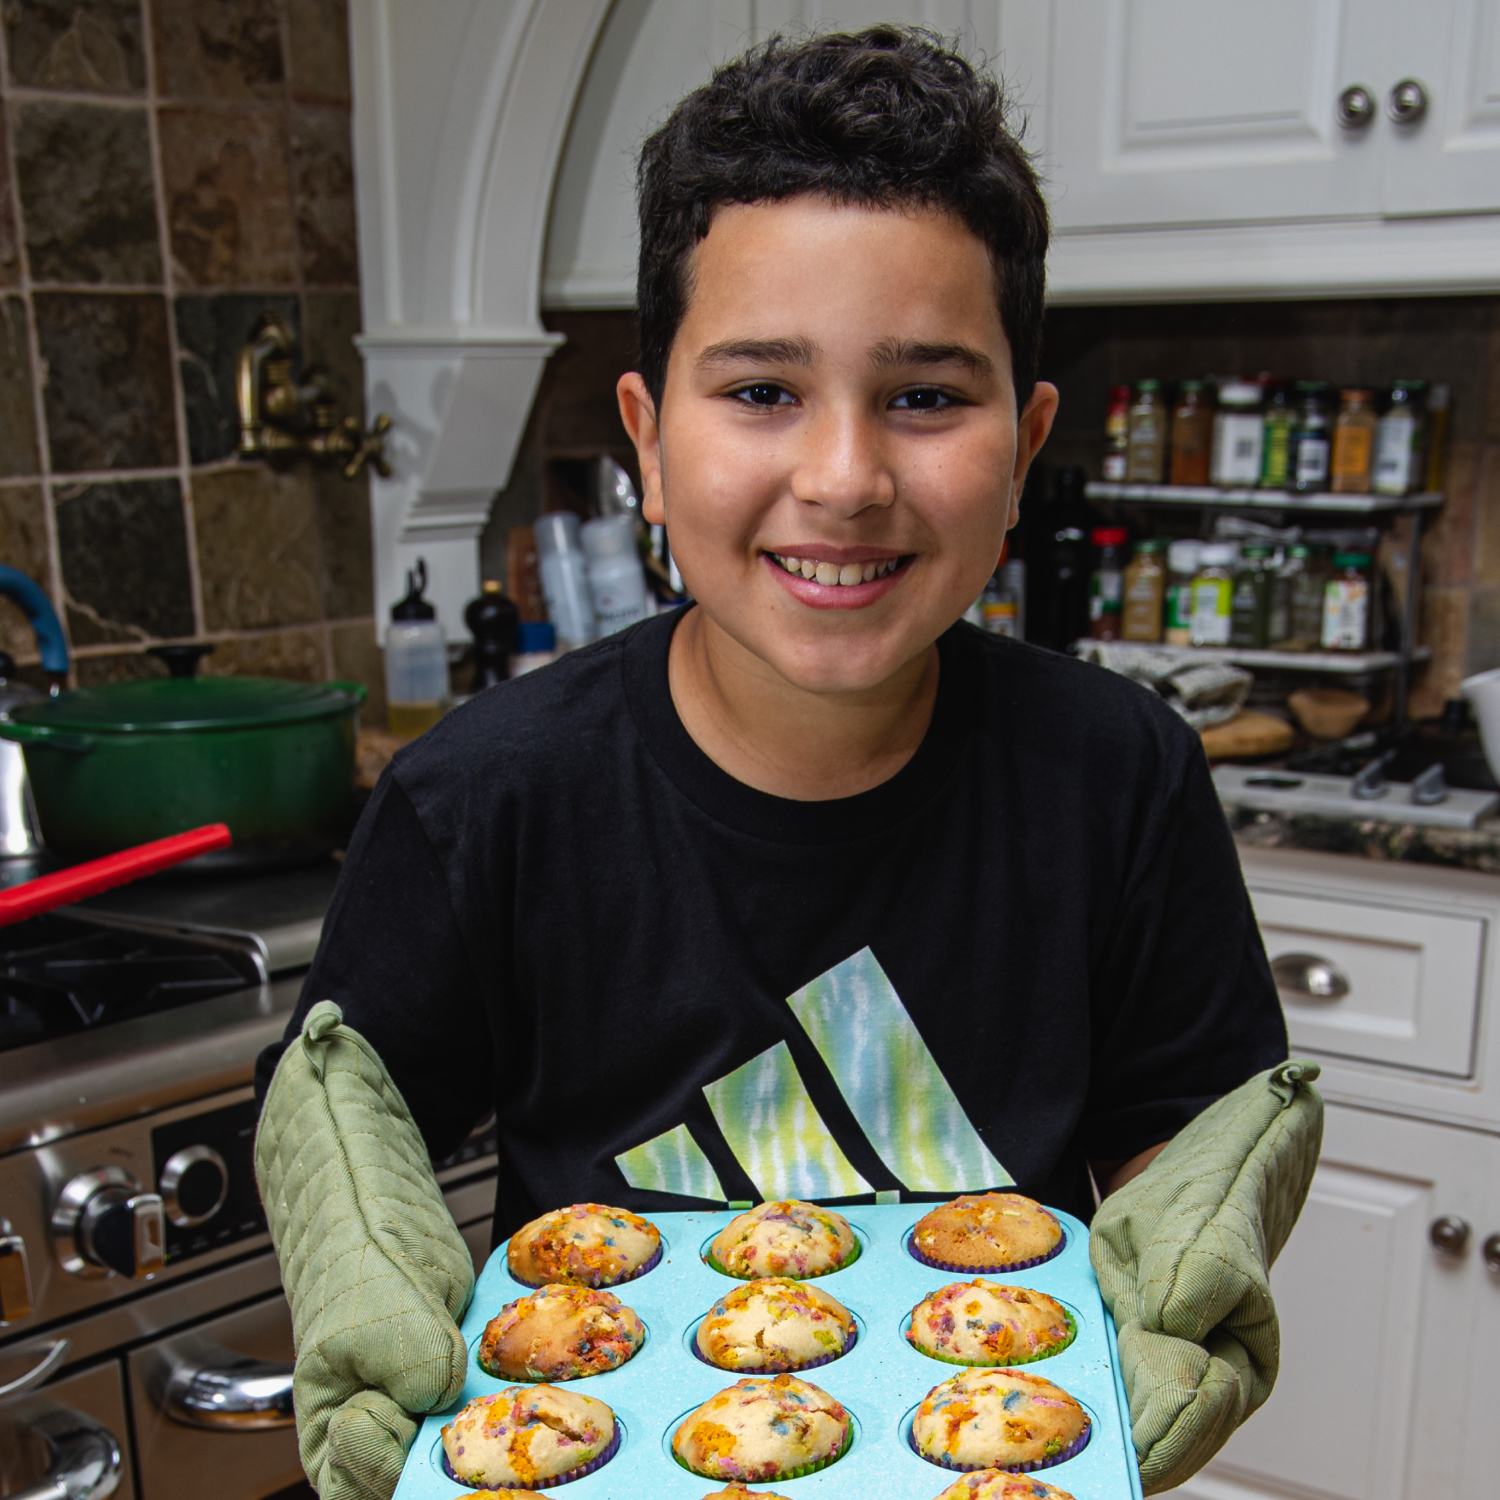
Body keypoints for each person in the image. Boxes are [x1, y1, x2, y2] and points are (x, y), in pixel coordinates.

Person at [253, 26, 1318, 1500]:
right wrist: (363, 1289)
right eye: (760, 391)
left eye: (929, 397)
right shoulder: (481, 802)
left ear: (1026, 445)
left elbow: (1180, 1169)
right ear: (645, 437)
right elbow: (353, 1143)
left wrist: (1181, 1299)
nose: (842, 477)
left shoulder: (1116, 778)